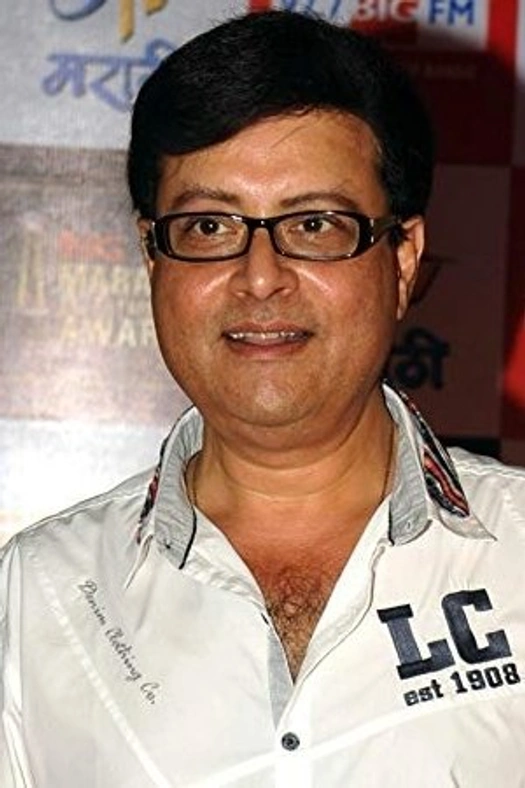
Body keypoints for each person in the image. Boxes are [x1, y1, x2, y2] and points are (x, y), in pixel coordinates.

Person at [1, 10, 525, 787]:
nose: (259, 277)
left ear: (402, 259)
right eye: (209, 226)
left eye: (313, 224)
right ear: (151, 256)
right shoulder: (37, 595)